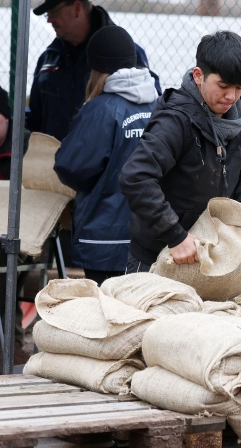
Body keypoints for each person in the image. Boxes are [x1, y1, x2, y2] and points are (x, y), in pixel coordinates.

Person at [119, 30, 241, 273]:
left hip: (216, 259)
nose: (231, 97)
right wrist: (175, 235)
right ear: (198, 76)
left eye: (239, 88)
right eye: (223, 86)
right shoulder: (174, 121)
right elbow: (136, 177)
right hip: (160, 257)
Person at [54, 25, 158, 286]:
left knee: (108, 313)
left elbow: (72, 167)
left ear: (96, 68)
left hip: (105, 239)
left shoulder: (101, 110)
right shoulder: (157, 104)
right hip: (151, 233)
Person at [26, 0, 161, 142]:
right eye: (47, 14)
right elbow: (35, 117)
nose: (49, 20)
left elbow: (148, 114)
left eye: (54, 12)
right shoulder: (48, 58)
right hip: (52, 160)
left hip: (106, 162)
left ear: (77, 8)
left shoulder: (126, 56)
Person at [0, 81, 31, 369]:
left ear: (7, 117)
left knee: (2, 264)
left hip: (18, 238)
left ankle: (10, 348)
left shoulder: (25, 149)